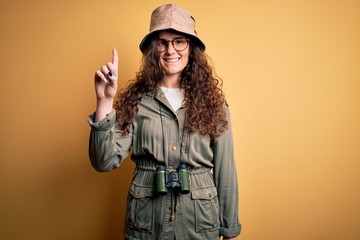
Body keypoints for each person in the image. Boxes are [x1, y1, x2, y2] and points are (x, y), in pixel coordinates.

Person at [88, 3, 241, 240]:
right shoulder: (135, 100)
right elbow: (103, 161)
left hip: (199, 222)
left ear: (191, 48)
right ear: (153, 49)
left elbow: (226, 170)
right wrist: (104, 102)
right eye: (162, 42)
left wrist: (229, 230)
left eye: (179, 41)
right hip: (147, 223)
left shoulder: (214, 103)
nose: (171, 50)